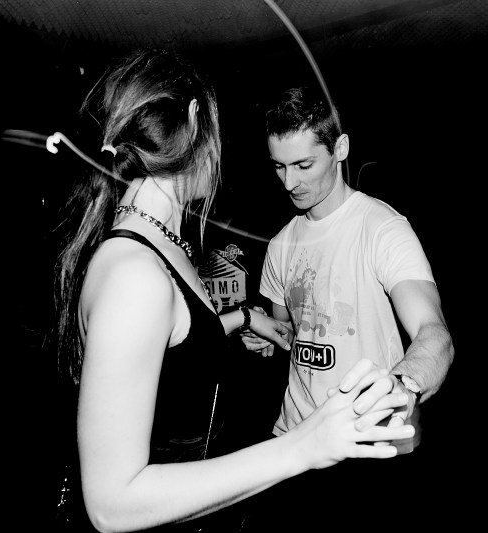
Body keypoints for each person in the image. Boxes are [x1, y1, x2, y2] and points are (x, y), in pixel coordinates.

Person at [52, 49, 417, 533]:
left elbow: (173, 347)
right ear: (194, 120)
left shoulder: (159, 245)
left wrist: (243, 319)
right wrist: (304, 445)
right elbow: (111, 503)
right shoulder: (134, 273)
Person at [240, 86, 455, 528]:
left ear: (340, 148)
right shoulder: (280, 244)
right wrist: (261, 334)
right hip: (295, 440)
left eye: (304, 165)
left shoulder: (382, 229)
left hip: (367, 446)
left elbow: (435, 335)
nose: (289, 182)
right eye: (279, 166)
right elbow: (290, 333)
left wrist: (403, 386)